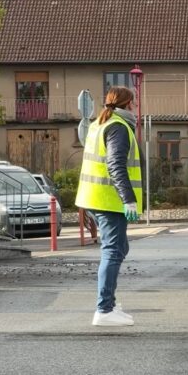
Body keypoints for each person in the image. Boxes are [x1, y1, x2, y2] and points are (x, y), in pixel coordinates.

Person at [76, 86, 142, 327]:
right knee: (113, 250)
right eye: (132, 103)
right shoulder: (118, 127)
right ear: (127, 105)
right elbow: (116, 165)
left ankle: (110, 303)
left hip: (94, 197)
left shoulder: (98, 124)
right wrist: (128, 199)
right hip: (109, 199)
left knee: (119, 247)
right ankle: (104, 309)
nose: (134, 108)